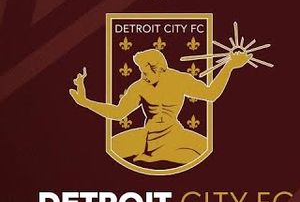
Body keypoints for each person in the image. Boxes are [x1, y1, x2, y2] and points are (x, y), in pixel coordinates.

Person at [69, 49, 250, 165]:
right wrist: (85, 102)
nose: (143, 75)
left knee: (206, 151)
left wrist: (230, 66)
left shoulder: (180, 80)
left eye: (145, 71)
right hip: (147, 136)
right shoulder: (139, 86)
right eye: (141, 71)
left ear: (159, 69)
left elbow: (210, 94)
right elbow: (118, 113)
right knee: (110, 147)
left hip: (175, 133)